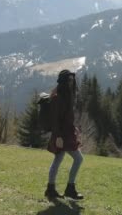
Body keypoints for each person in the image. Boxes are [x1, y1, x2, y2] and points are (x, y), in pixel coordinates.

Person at [44, 69, 84, 200]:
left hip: (67, 133)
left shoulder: (67, 96)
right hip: (62, 135)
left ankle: (51, 189)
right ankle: (69, 189)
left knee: (58, 160)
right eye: (69, 80)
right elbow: (55, 120)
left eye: (72, 80)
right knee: (78, 159)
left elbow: (67, 117)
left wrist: (74, 128)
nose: (71, 83)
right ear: (63, 82)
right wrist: (58, 137)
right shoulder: (58, 99)